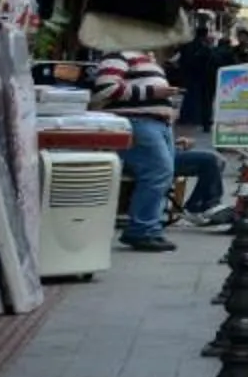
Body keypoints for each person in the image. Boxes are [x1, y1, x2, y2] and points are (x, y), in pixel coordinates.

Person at [89, 48, 214, 251]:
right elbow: (105, 89)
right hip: (138, 122)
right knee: (157, 172)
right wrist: (153, 92)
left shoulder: (147, 58)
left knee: (162, 173)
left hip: (155, 124)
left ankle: (148, 227)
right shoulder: (119, 55)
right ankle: (143, 229)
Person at [172, 18, 222, 130]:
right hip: (201, 76)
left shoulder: (188, 45)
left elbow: (180, 59)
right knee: (199, 98)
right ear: (205, 35)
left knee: (191, 97)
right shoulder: (203, 47)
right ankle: (196, 119)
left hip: (189, 75)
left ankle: (188, 118)